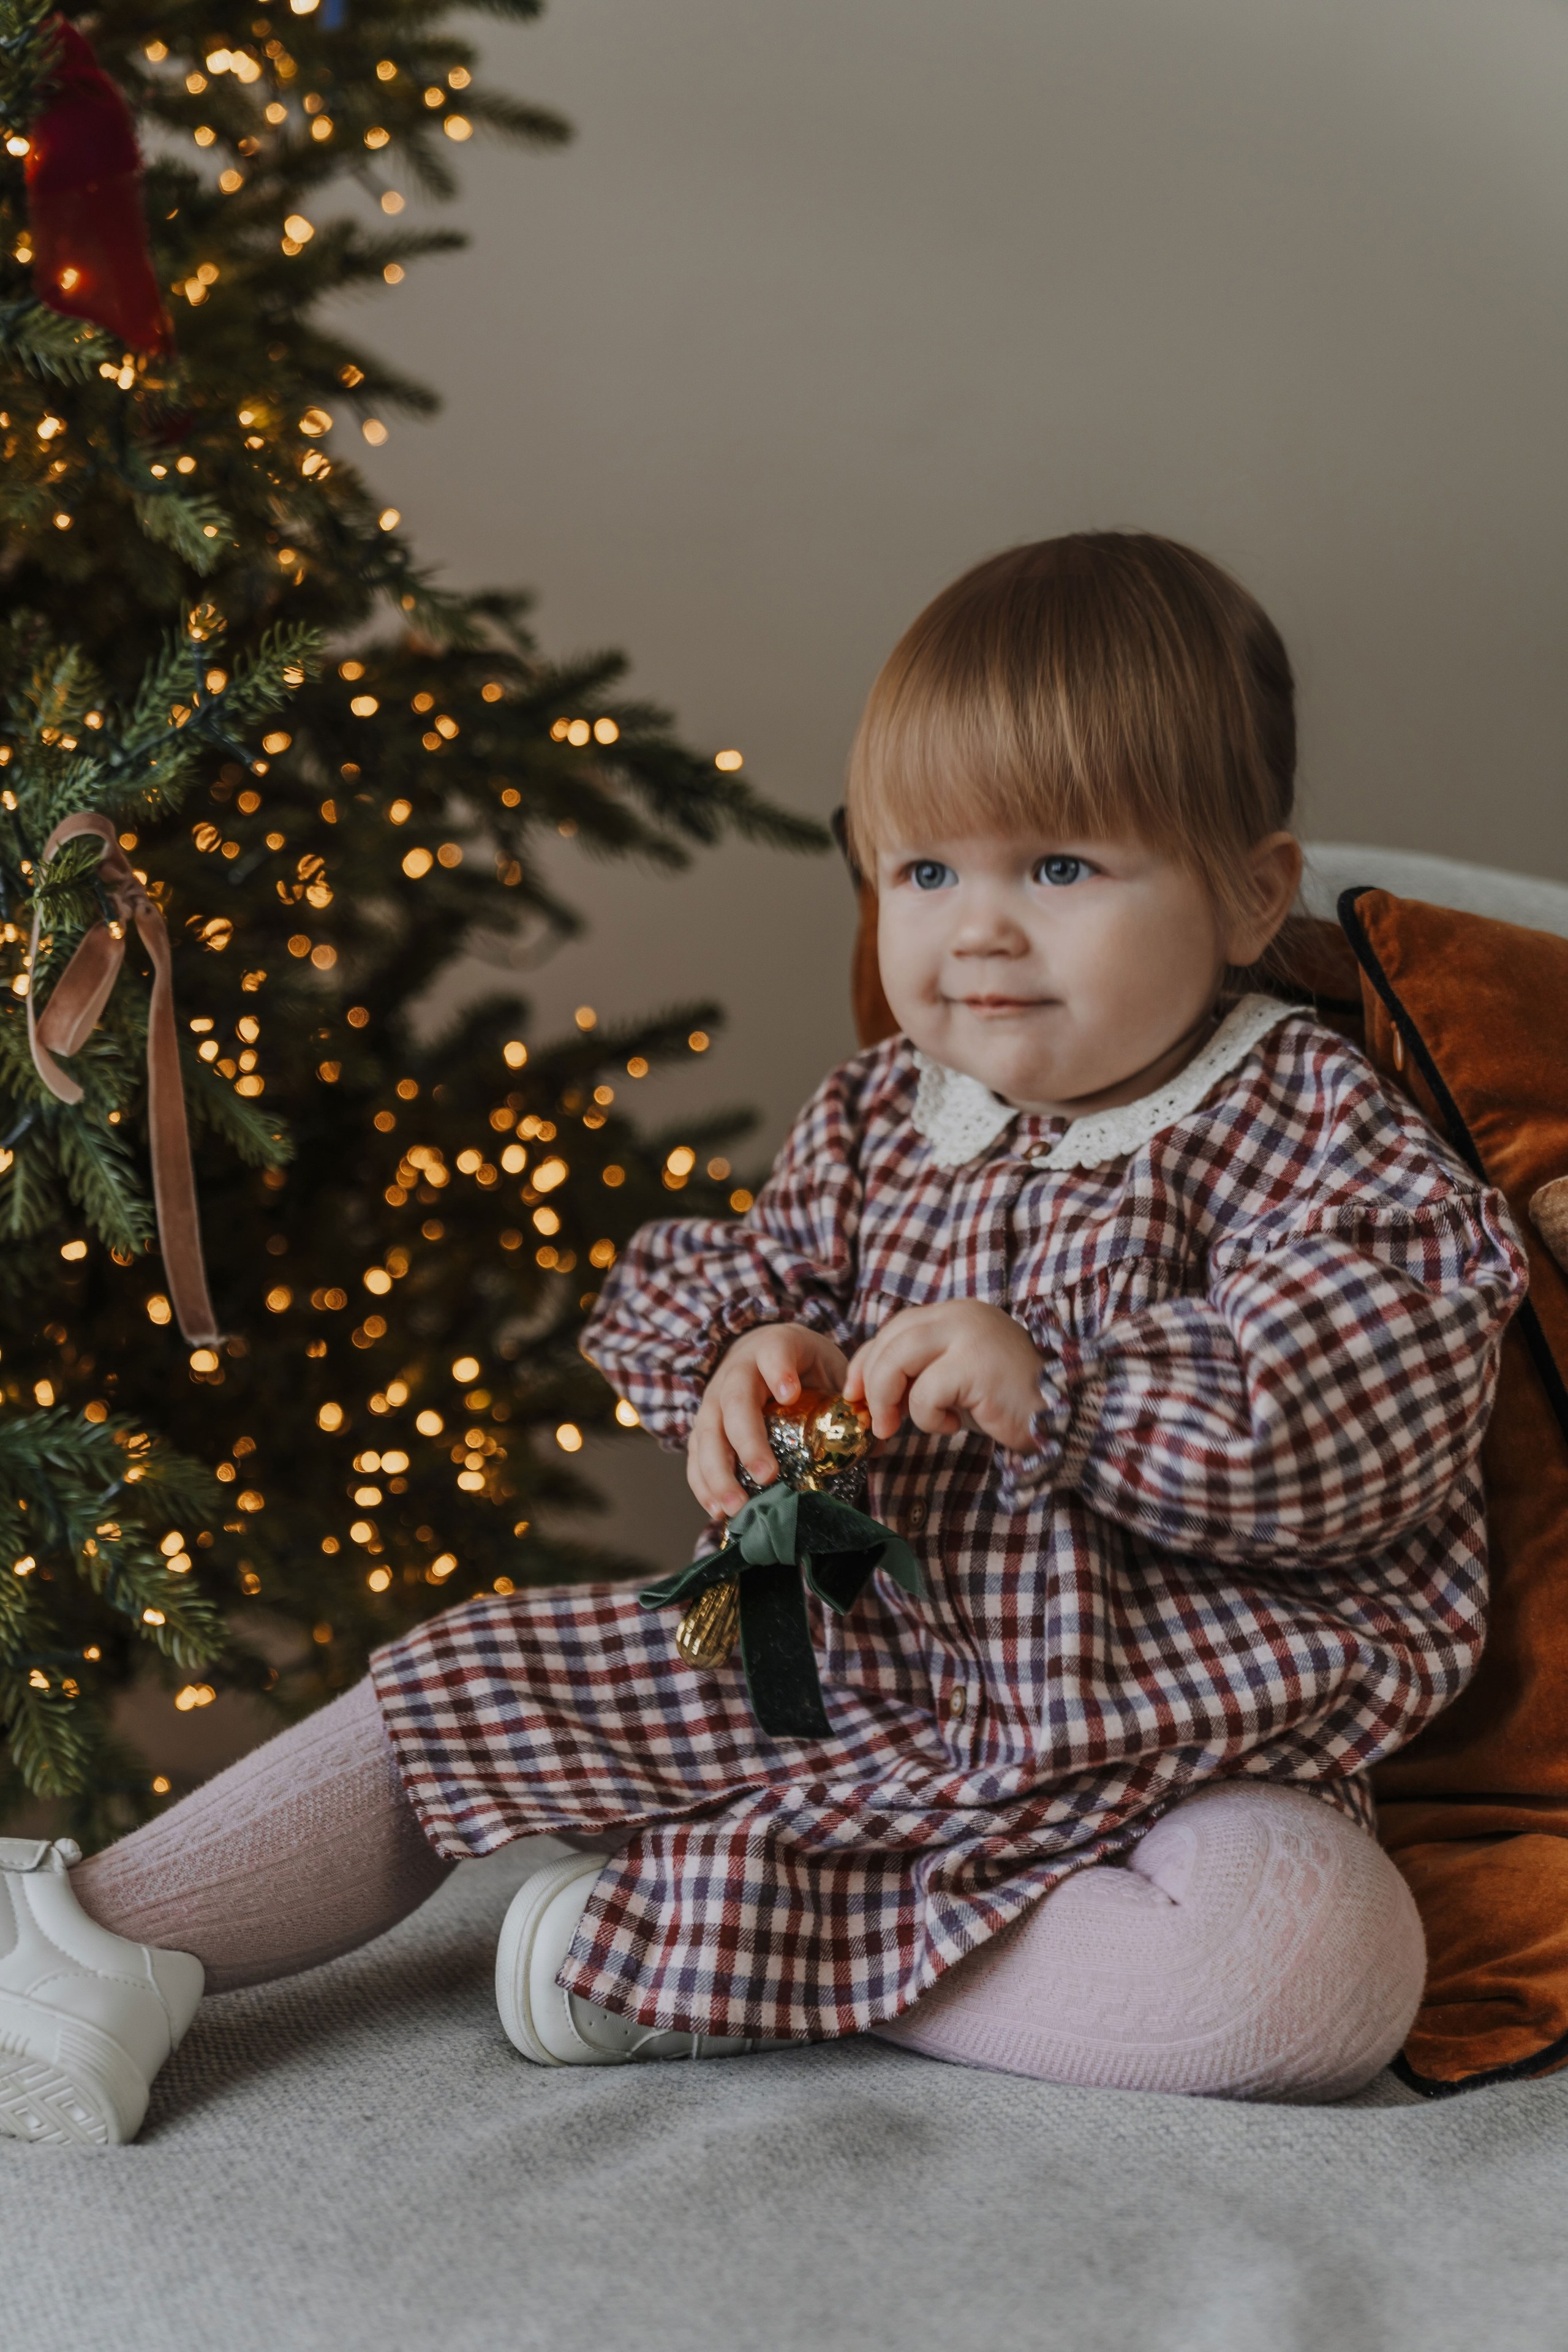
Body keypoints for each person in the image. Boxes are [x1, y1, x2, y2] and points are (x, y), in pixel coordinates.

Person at [0, 533, 1526, 2146]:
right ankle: (94, 1936)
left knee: (1319, 1966)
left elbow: (1377, 1390)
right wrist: (746, 1354)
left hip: (1179, 1742)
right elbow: (745, 1273)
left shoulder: (1304, 1113)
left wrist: (1065, 1386)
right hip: (845, 1672)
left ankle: (673, 1952)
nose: (978, 933)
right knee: (485, 1679)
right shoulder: (882, 1116)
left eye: (1059, 869)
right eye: (924, 873)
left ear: (1247, 892)